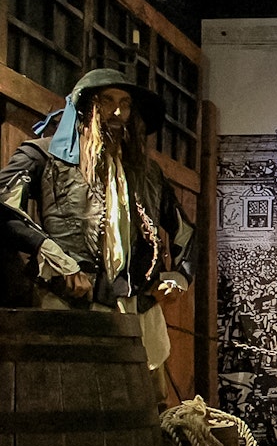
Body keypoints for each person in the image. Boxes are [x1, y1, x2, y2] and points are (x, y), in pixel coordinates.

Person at [0, 68, 195, 398]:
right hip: (71, 306)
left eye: (125, 104)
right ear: (85, 107)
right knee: (72, 400)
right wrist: (55, 257)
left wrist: (179, 276)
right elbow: (5, 208)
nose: (118, 112)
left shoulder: (147, 173)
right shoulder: (43, 156)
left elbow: (186, 233)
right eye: (107, 101)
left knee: (149, 405)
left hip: (139, 311)